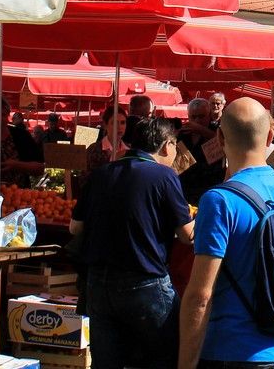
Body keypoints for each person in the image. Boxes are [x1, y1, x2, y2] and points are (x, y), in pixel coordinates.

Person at [178, 98, 274, 369]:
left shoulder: (218, 200)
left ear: (219, 136)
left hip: (229, 350)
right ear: (270, 136)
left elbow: (200, 296)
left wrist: (185, 363)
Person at [72, 116, 194, 368]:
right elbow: (186, 233)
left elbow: (75, 227)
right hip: (144, 283)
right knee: (166, 357)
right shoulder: (164, 175)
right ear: (165, 146)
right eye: (175, 145)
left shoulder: (102, 173)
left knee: (106, 363)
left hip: (98, 284)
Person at [178, 98, 226, 203]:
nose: (197, 121)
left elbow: (225, 145)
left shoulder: (217, 130)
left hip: (210, 188)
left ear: (209, 115)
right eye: (193, 117)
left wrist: (202, 131)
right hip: (186, 189)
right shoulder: (183, 134)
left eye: (201, 116)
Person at [88, 105, 129, 170]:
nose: (119, 127)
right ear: (105, 125)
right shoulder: (94, 149)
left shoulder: (129, 149)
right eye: (114, 123)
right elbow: (88, 177)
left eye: (123, 123)